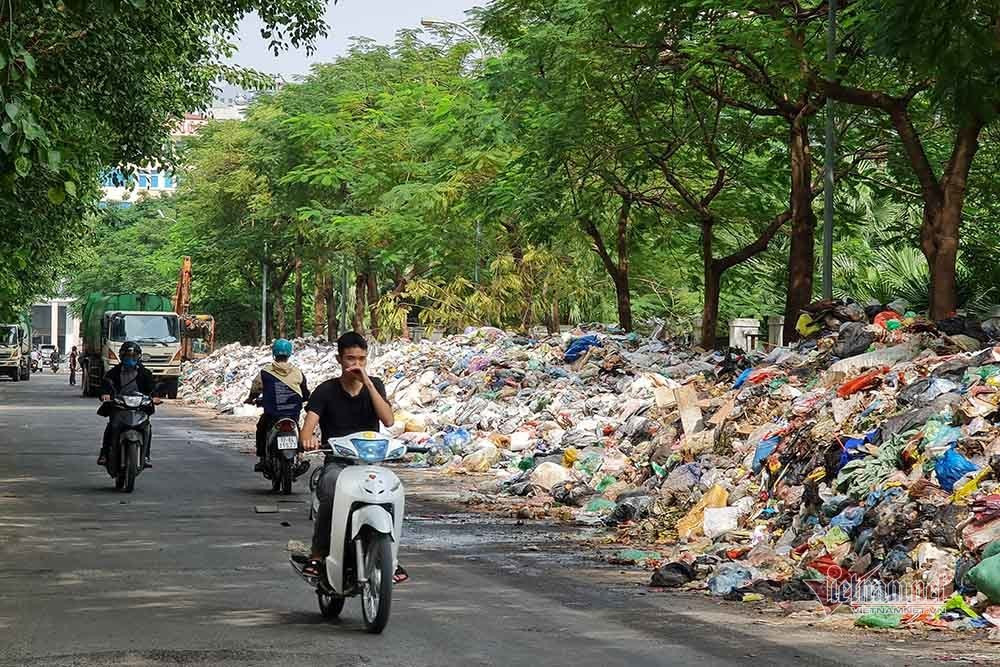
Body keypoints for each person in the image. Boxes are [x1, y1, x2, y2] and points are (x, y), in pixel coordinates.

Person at [300, 332, 406, 582]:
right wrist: (309, 439)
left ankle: (392, 558)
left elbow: (389, 420)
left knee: (393, 492)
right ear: (339, 359)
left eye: (361, 359)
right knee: (330, 490)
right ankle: (317, 555)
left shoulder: (375, 385)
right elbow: (307, 428)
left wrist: (368, 384)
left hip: (370, 463)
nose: (356, 364)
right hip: (338, 463)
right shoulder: (325, 391)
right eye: (350, 358)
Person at [245, 338, 310, 472]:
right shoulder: (298, 372)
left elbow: (256, 389)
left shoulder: (265, 372)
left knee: (261, 428)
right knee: (298, 429)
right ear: (289, 354)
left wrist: (251, 399)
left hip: (272, 414)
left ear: (274, 353)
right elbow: (305, 392)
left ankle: (262, 458)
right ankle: (301, 456)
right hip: (292, 414)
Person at [98, 341, 157, 468]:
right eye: (127, 357)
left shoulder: (145, 373)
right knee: (112, 426)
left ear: (138, 357)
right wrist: (105, 394)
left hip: (140, 407)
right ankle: (104, 453)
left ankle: (146, 455)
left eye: (133, 356)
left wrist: (156, 397)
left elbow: (153, 388)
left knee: (147, 427)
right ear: (122, 357)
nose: (130, 359)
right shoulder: (113, 373)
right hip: (120, 406)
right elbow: (105, 385)